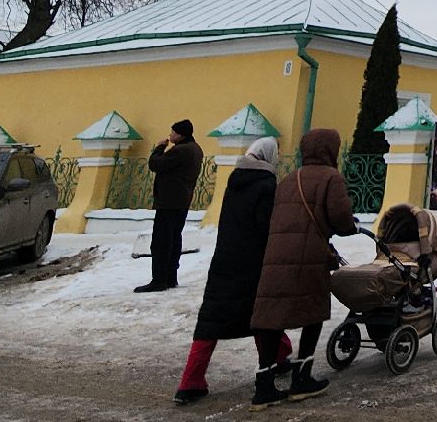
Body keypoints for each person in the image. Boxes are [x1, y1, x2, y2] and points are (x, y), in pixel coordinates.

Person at [173, 137, 294, 405]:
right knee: (261, 315)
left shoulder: (234, 182)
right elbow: (265, 227)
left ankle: (190, 381)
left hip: (225, 259)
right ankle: (279, 355)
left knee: (211, 321)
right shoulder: (266, 185)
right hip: (253, 261)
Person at [250, 128, 357, 407]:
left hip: (274, 256)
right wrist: (349, 226)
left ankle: (264, 385)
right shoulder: (331, 178)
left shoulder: (287, 179)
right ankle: (302, 377)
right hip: (308, 255)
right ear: (329, 150)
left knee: (273, 316)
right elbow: (340, 217)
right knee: (312, 312)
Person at [138, 119, 204, 293]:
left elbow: (155, 164)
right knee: (174, 238)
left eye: (173, 132)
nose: (170, 135)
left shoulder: (181, 150)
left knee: (162, 241)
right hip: (182, 200)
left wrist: (159, 148)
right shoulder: (195, 149)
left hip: (169, 201)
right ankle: (170, 277)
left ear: (181, 134)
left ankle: (159, 279)